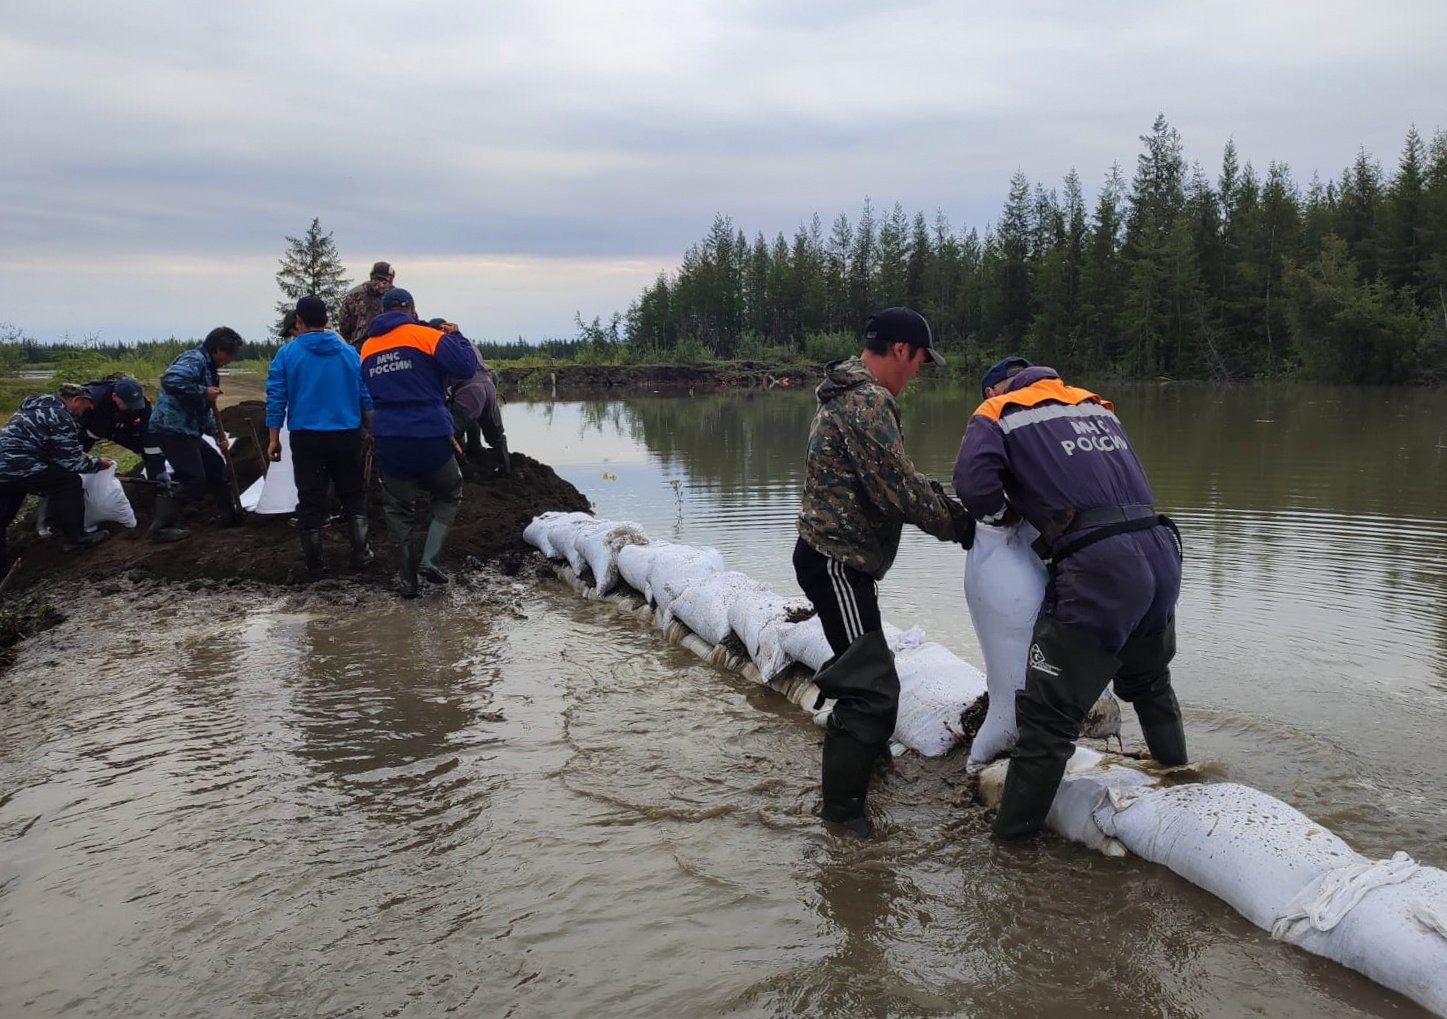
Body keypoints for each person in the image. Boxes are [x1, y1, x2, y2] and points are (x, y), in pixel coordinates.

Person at [953, 357, 1185, 842]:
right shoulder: (1096, 406)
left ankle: (1010, 846)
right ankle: (1183, 785)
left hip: (1099, 566)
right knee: (1150, 684)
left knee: (1047, 720)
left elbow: (974, 486)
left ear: (997, 387)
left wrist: (1003, 518)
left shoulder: (998, 410)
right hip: (1158, 550)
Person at [794, 307, 973, 837]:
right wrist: (966, 525)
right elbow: (902, 491)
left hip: (834, 561)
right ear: (901, 351)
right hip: (837, 565)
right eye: (919, 359)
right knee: (871, 690)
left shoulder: (848, 394)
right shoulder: (867, 401)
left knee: (870, 679)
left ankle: (869, 773)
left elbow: (896, 482)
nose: (918, 371)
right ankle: (844, 822)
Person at [360, 288, 478, 598]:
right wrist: (457, 335)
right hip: (429, 433)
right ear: (412, 309)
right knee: (450, 491)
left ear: (382, 312)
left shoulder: (368, 347)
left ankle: (408, 584)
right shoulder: (426, 336)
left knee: (398, 510)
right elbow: (466, 367)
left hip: (389, 437)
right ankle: (430, 558)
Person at [265, 296, 376, 577]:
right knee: (352, 492)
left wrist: (273, 438)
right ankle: (361, 553)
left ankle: (316, 563)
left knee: (310, 496)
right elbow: (365, 395)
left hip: (306, 437)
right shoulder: (349, 353)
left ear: (298, 322)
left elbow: (276, 398)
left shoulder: (287, 355)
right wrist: (373, 429)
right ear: (327, 321)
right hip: (346, 434)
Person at [0, 383, 114, 572]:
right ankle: (76, 539)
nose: (85, 411)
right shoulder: (61, 416)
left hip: (4, 463)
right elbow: (71, 464)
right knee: (68, 483)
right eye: (85, 406)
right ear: (76, 400)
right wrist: (98, 464)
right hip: (19, 462)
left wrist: (76, 453)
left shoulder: (35, 407)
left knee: (3, 516)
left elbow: (45, 443)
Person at [148, 326, 246, 542]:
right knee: (194, 478)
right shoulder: (194, 360)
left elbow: (203, 409)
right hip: (171, 427)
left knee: (215, 466)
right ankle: (161, 528)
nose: (230, 360)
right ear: (219, 350)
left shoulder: (210, 369)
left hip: (188, 428)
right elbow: (170, 379)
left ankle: (229, 514)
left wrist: (216, 433)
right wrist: (203, 390)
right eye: (230, 355)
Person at [429, 317, 511, 478]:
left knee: (450, 433)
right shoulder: (467, 343)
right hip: (488, 389)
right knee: (496, 435)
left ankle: (460, 472)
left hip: (470, 392)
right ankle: (505, 468)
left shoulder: (442, 346)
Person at [76, 375, 167, 480]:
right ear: (114, 396)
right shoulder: (92, 398)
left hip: (122, 427)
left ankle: (154, 480)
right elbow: (73, 427)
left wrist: (160, 470)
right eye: (128, 404)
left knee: (149, 448)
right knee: (74, 456)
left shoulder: (142, 405)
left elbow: (150, 436)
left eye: (135, 404)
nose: (132, 408)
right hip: (90, 429)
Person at [338, 261, 395, 349]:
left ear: (371, 275)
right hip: (390, 349)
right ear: (391, 277)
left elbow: (344, 326)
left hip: (360, 350)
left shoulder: (353, 294)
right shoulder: (397, 295)